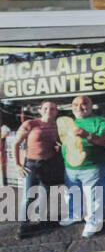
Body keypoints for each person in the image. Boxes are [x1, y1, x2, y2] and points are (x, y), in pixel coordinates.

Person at [58, 95, 105, 238]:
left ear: (91, 106)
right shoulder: (69, 122)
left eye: (84, 104)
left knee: (94, 196)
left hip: (93, 167)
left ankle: (94, 223)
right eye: (75, 104)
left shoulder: (100, 121)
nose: (79, 107)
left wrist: (87, 135)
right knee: (72, 193)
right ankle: (74, 215)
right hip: (70, 167)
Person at [14, 100, 63, 238]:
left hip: (49, 163)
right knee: (29, 196)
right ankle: (23, 224)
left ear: (56, 111)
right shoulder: (30, 124)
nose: (49, 110)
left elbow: (58, 142)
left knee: (45, 193)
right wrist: (18, 165)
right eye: (46, 108)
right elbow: (16, 143)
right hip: (31, 164)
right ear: (40, 110)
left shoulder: (56, 126)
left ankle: (41, 219)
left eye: (53, 108)